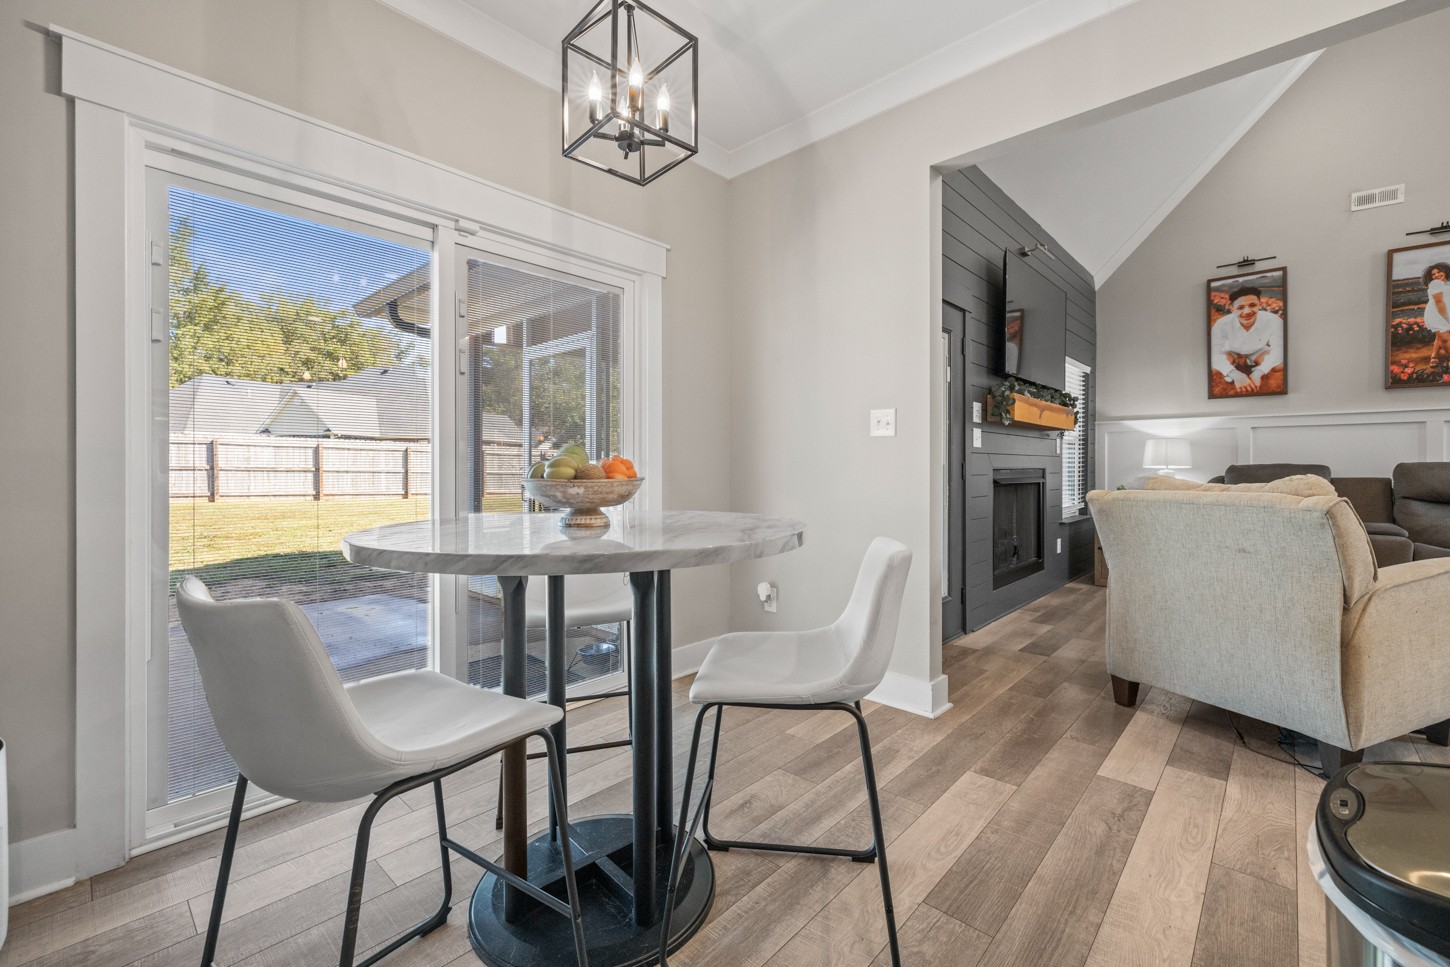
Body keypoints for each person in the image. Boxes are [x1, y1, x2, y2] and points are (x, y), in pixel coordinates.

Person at [1210, 285, 1284, 395]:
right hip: (1231, 350)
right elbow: (1214, 353)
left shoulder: (1273, 321)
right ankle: (1233, 367)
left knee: (1279, 365)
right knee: (1213, 367)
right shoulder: (1222, 324)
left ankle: (1254, 367)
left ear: (1259, 305)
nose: (1247, 311)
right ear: (1232, 309)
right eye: (1240, 307)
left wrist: (1259, 372)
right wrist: (1236, 375)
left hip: (1257, 350)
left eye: (1252, 305)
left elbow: (1279, 350)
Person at [1423, 262, 1450, 368]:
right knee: (1444, 338)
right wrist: (1446, 318)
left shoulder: (1448, 283)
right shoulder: (1435, 285)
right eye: (1433, 274)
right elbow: (1439, 303)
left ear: (1445, 271)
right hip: (1437, 313)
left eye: (1439, 272)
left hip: (1447, 311)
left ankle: (1434, 355)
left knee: (1440, 335)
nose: (1436, 275)